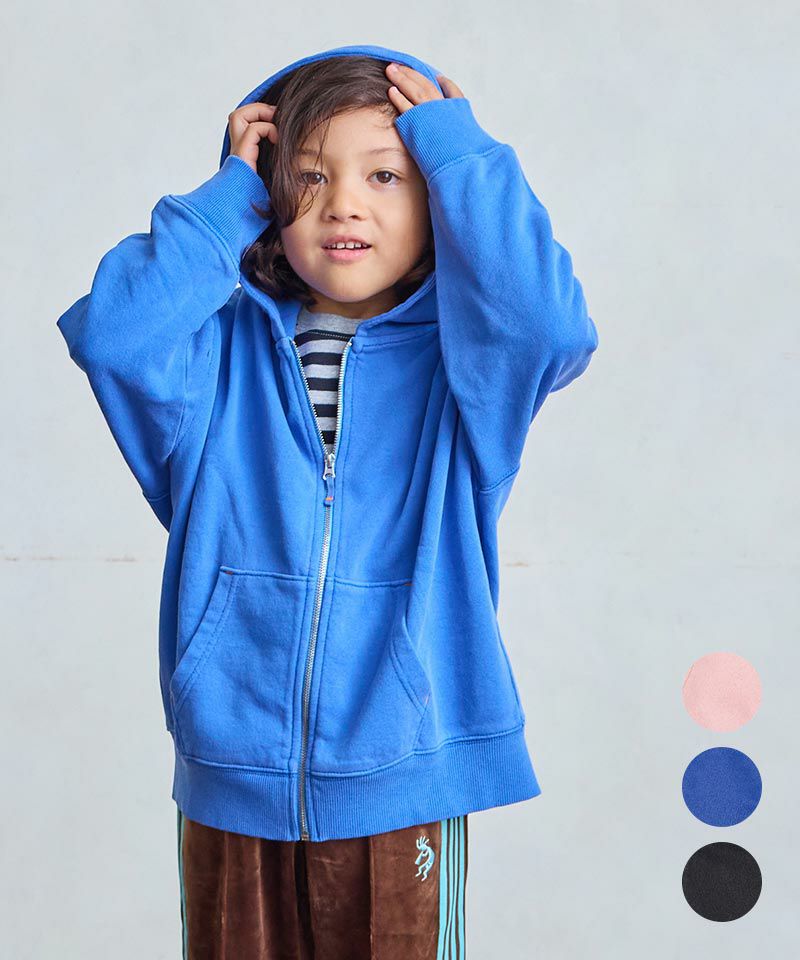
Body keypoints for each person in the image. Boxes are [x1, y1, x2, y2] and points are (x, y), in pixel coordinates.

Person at [56, 42, 598, 959]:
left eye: (385, 175)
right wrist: (230, 195)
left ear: (436, 202)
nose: (344, 202)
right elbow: (112, 335)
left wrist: (461, 154)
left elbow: (549, 324)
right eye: (308, 177)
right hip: (233, 771)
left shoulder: (467, 370)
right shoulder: (213, 357)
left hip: (404, 773)